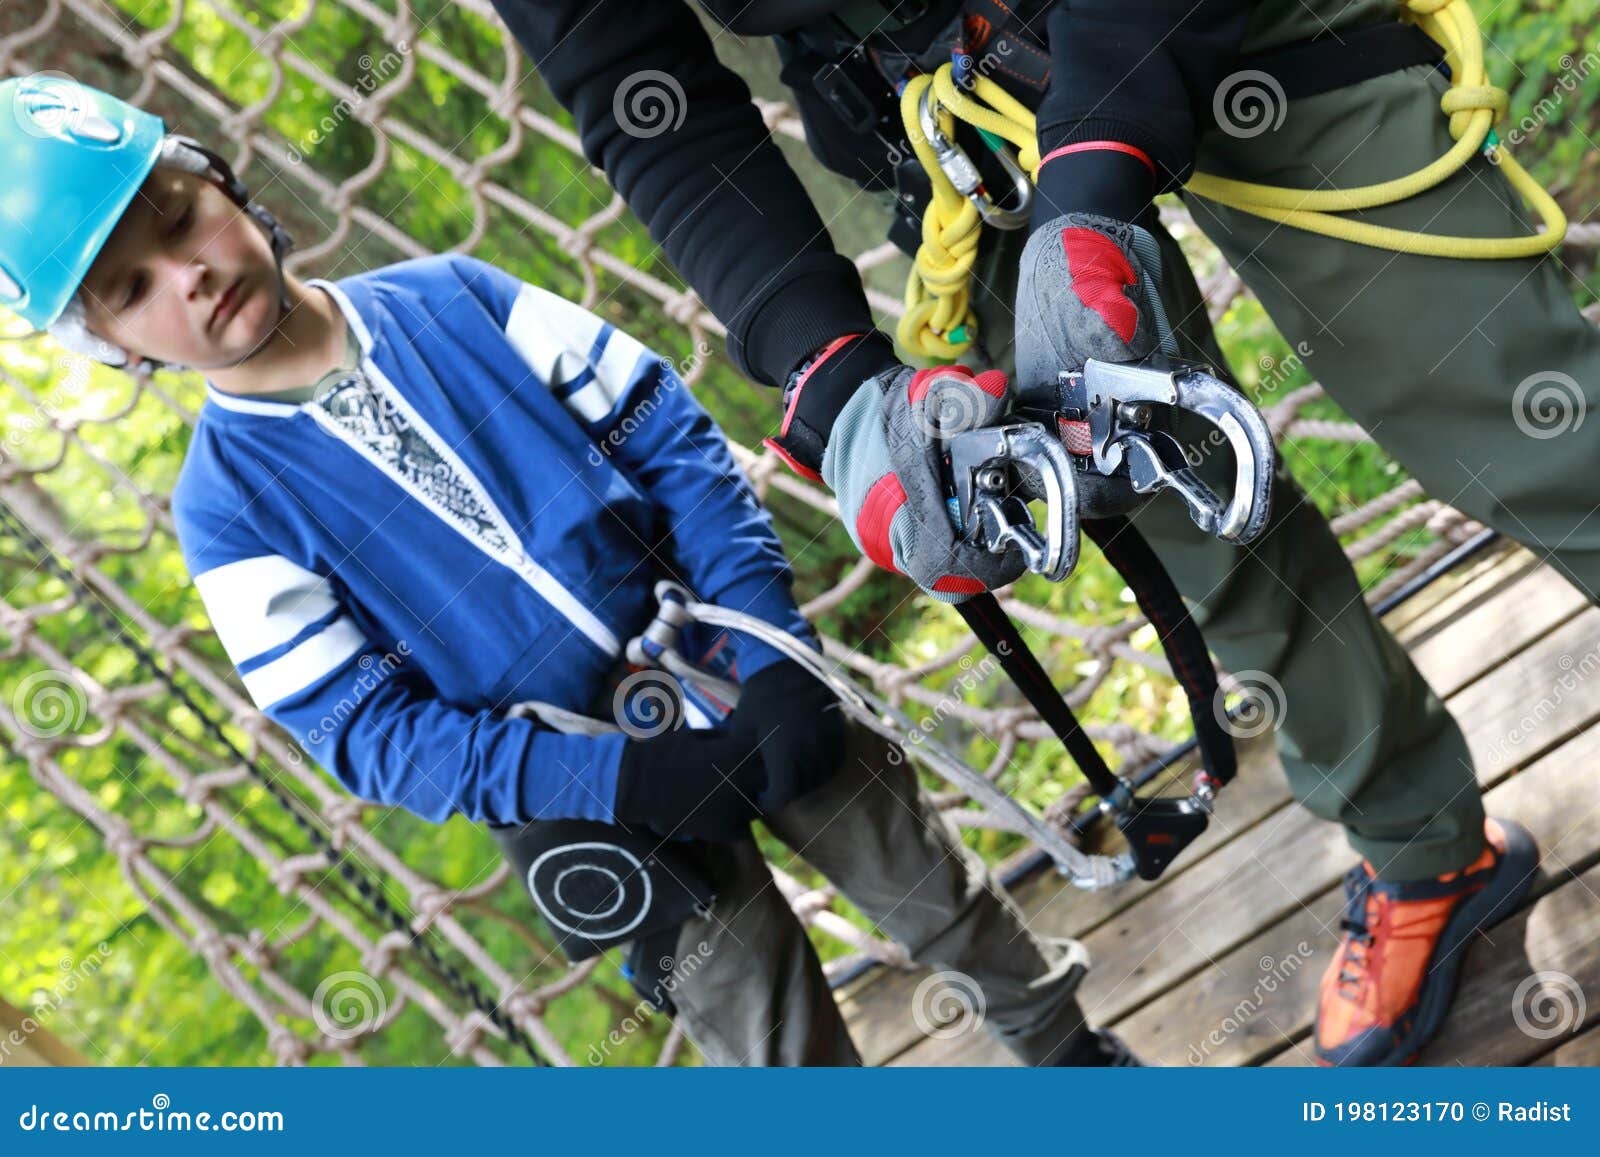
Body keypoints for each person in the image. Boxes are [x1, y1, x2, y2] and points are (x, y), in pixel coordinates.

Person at [489, 0, 1576, 1064]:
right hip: (957, 120)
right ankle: (1424, 849)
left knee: (1524, 421)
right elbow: (636, 83)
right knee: (1187, 525)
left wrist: (1098, 168)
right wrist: (830, 379)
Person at [0, 72, 1150, 1067]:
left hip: (718, 648)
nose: (185, 276)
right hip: (566, 786)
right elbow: (362, 726)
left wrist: (766, 645)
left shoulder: (453, 298)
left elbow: (667, 435)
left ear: (223, 183)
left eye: (176, 217)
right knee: (761, 1024)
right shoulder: (228, 509)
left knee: (930, 887)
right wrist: (612, 786)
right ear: (112, 344)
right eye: (130, 288)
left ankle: (1076, 1060)